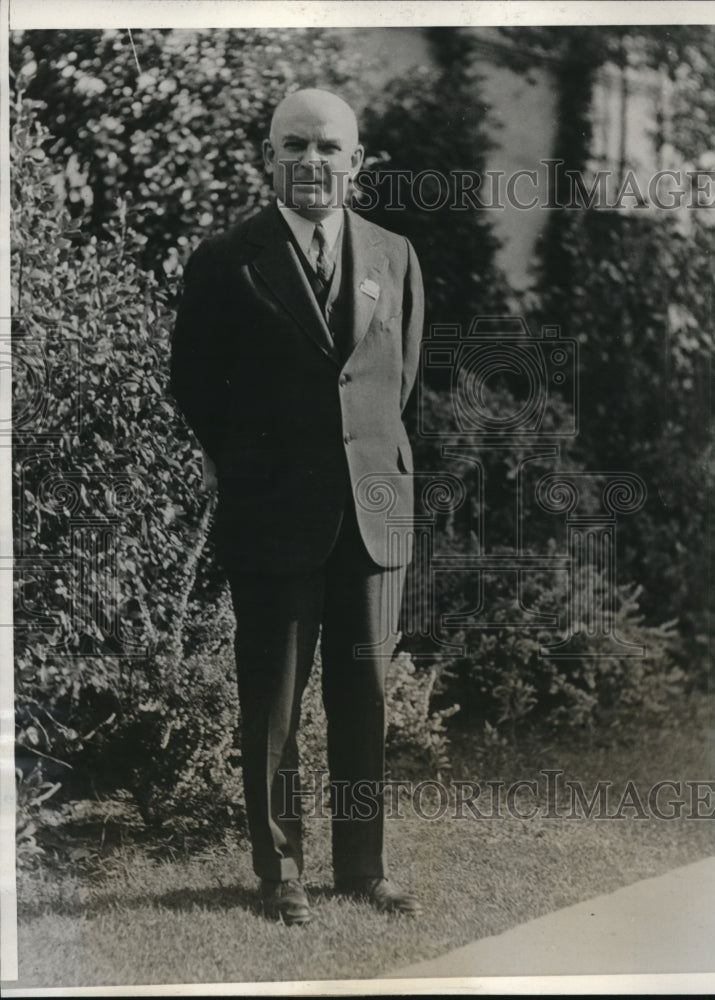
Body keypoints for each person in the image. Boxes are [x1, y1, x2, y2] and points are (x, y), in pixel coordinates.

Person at [170, 89, 424, 925]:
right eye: (294, 146)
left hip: (371, 511)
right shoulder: (226, 259)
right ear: (269, 155)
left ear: (356, 160)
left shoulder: (395, 256)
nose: (311, 162)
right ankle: (279, 872)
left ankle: (363, 867)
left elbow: (398, 385)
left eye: (328, 148)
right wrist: (252, 470)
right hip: (274, 513)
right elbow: (196, 386)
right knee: (272, 702)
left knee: (366, 696)